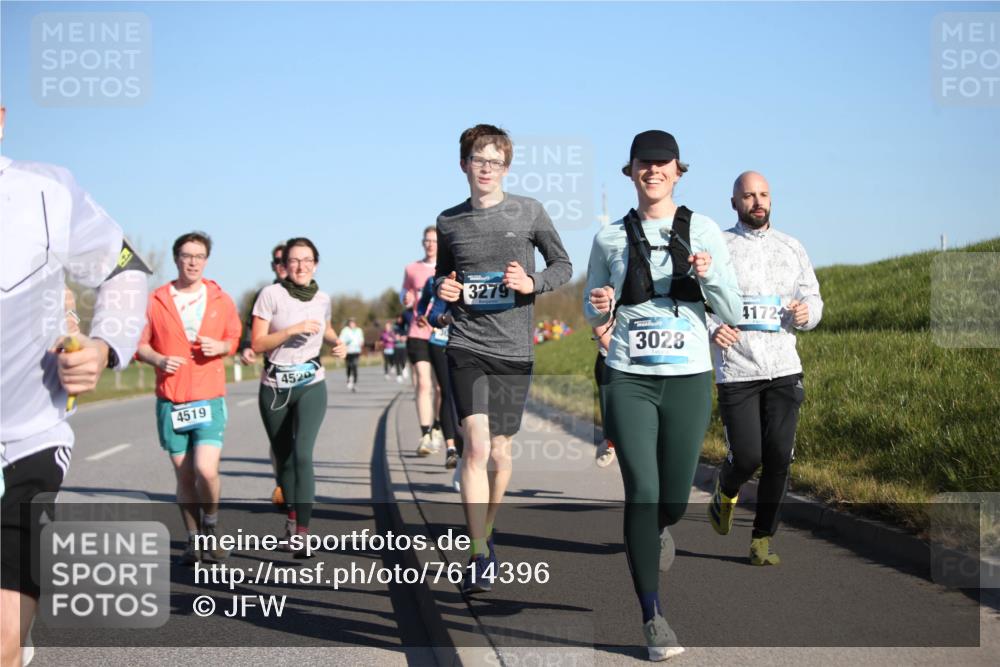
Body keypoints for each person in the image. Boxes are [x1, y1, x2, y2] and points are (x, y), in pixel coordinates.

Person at [0, 104, 150, 667]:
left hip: (24, 445)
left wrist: (105, 344)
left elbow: (124, 267)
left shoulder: (46, 191)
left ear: (1, 118)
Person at [584, 130, 741, 661]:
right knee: (643, 492)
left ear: (678, 170)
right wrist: (600, 303)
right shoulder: (608, 238)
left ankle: (659, 532)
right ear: (629, 172)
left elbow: (733, 308)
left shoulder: (702, 231)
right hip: (627, 374)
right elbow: (592, 307)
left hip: (689, 375)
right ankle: (652, 617)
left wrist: (709, 272)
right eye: (643, 164)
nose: (653, 171)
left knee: (672, 500)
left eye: (663, 164)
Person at [436, 124, 572, 594]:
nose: (486, 168)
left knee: (499, 451)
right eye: (479, 160)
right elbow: (444, 280)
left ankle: (487, 531)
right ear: (464, 165)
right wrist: (445, 289)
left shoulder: (529, 211)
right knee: (474, 447)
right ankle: (476, 553)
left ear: (506, 168)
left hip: (514, 350)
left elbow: (563, 265)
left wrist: (533, 283)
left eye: (495, 161)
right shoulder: (449, 221)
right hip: (466, 343)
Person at [707, 171, 823, 566]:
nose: (757, 202)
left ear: (771, 199)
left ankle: (761, 540)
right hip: (738, 368)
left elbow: (812, 297)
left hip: (784, 366)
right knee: (748, 456)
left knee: (779, 456)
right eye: (748, 196)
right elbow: (698, 300)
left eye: (763, 195)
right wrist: (713, 326)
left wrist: (807, 313)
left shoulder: (792, 247)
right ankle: (726, 487)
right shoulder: (718, 247)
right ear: (734, 202)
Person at [136, 231, 242, 565]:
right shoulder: (156, 300)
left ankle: (211, 523)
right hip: (172, 398)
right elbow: (140, 345)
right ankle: (193, 539)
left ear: (206, 260)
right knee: (184, 477)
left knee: (205, 471)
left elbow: (234, 338)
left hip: (208, 396)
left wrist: (222, 348)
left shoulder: (221, 299)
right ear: (176, 258)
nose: (193, 261)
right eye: (186, 255)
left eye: (199, 256)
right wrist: (158, 359)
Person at [251, 238, 346, 556]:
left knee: (303, 453)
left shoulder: (322, 298)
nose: (301, 266)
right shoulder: (270, 295)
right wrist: (291, 330)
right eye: (294, 260)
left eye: (307, 260)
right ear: (285, 265)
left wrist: (337, 342)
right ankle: (291, 517)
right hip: (275, 388)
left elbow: (325, 328)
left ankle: (303, 533)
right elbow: (258, 343)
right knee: (285, 458)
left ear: (316, 264)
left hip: (311, 384)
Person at [237, 243, 287, 506]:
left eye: (285, 260)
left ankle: (296, 486)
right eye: (276, 262)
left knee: (299, 440)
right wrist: (247, 348)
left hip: (306, 376)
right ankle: (283, 485)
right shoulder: (264, 294)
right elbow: (249, 330)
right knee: (278, 438)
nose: (282, 266)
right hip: (274, 375)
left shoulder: (309, 292)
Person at [402, 226, 443, 456]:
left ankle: (438, 426)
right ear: (422, 243)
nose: (430, 244)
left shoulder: (447, 269)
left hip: (439, 333)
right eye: (426, 240)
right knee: (423, 384)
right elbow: (405, 295)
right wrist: (406, 299)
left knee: (439, 387)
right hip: (417, 332)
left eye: (434, 240)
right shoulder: (412, 269)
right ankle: (425, 433)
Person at [417, 280, 463, 471]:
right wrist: (424, 316)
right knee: (447, 392)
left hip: (465, 342)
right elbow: (425, 305)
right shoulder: (434, 281)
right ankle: (451, 449)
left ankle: (465, 453)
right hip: (439, 340)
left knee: (464, 396)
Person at [593, 325, 617, 468]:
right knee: (611, 410)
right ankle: (610, 442)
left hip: (643, 360)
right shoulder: (605, 301)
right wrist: (620, 355)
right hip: (609, 360)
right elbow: (598, 326)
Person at [339, 317, 364, 392]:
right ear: (348, 323)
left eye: (353, 323)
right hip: (348, 351)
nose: (351, 324)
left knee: (355, 365)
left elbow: (361, 339)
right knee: (349, 366)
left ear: (355, 323)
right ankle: (349, 378)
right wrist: (345, 342)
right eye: (350, 323)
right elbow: (341, 339)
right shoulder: (345, 330)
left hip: (356, 351)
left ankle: (355, 382)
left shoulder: (359, 330)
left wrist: (361, 343)